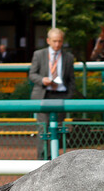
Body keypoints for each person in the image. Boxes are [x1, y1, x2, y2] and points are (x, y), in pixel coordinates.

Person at [29, 28, 76, 158]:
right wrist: (42, 80)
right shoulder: (39, 55)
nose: (57, 44)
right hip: (43, 95)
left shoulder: (68, 57)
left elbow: (71, 79)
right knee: (44, 128)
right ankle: (43, 158)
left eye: (60, 41)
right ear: (48, 41)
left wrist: (69, 96)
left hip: (61, 96)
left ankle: (55, 159)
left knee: (58, 128)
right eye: (55, 41)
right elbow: (32, 74)